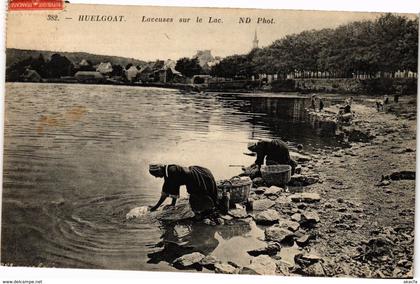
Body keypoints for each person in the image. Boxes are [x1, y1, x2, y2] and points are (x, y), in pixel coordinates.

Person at [148, 164, 219, 219]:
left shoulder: (171, 172)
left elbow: (165, 193)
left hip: (197, 177)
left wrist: (155, 207)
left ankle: (205, 212)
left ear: (159, 170)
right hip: (198, 173)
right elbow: (174, 189)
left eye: (156, 175)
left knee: (198, 198)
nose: (156, 177)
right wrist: (173, 204)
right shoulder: (169, 171)